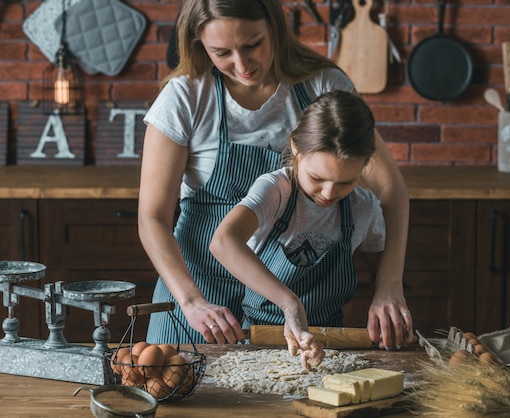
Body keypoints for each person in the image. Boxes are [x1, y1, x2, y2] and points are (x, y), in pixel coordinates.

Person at [138, 0, 412, 352]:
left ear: (274, 27)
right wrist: (191, 301)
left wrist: (389, 285)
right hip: (198, 294)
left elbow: (390, 191)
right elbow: (152, 218)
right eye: (222, 52)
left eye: (253, 44)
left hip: (293, 304)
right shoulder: (184, 97)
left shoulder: (323, 85)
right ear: (198, 45)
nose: (242, 65)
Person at [210, 90, 384, 368]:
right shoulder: (275, 190)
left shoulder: (365, 208)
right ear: (296, 149)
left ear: (364, 165)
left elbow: (380, 268)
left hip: (330, 342)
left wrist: (385, 299)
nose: (329, 193)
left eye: (345, 183)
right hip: (259, 339)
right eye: (318, 178)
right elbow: (223, 242)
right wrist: (291, 305)